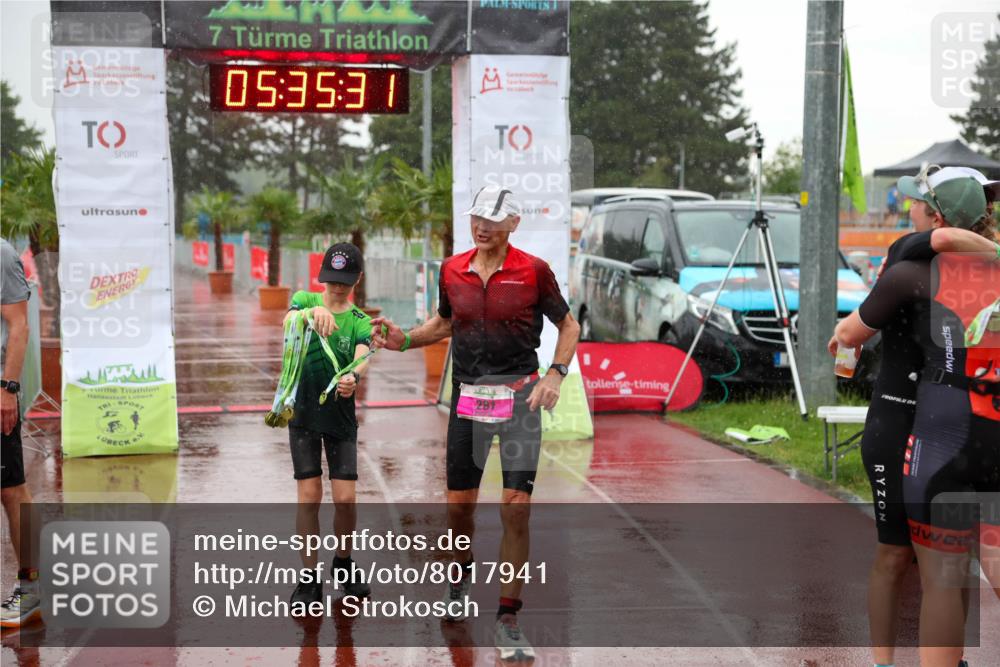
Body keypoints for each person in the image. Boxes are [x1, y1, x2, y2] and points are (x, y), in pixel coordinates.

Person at [371, 184, 580, 660]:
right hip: (468, 401)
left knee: (516, 508)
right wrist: (404, 340)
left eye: (492, 219)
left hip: (520, 400)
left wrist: (555, 374)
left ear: (513, 224)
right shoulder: (452, 269)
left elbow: (569, 325)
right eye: (477, 217)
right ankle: (459, 579)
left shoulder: (534, 271)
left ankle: (508, 617)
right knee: (460, 511)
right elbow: (446, 323)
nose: (481, 226)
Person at [831, 172, 1000, 667]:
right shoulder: (956, 263)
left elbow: (848, 334)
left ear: (937, 216)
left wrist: (844, 336)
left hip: (938, 435)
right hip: (988, 428)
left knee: (942, 578)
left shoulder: (912, 271)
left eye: (918, 204)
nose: (909, 210)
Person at [283, 243, 373, 606]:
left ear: (357, 279)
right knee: (309, 496)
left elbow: (363, 356)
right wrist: (310, 313)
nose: (337, 286)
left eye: (345, 280)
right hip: (303, 414)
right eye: (332, 279)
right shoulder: (304, 300)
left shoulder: (360, 320)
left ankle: (343, 562)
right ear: (322, 277)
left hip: (340, 416)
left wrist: (354, 377)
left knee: (345, 499)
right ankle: (309, 578)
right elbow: (288, 321)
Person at [0, 238, 39, 628]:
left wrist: (7, 389)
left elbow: (19, 326)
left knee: (11, 489)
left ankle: (31, 591)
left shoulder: (0, 254)